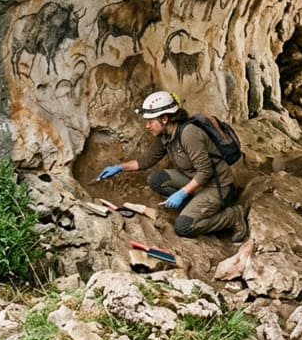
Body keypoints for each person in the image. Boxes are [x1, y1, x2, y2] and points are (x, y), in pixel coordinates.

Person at [97, 91, 250, 242]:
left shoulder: (189, 134)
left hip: (217, 186)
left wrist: (182, 193)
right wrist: (118, 167)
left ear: (164, 118)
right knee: (156, 179)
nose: (147, 126)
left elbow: (205, 172)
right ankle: (195, 207)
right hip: (195, 182)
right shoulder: (166, 135)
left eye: (150, 121)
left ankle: (232, 216)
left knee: (184, 227)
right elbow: (145, 161)